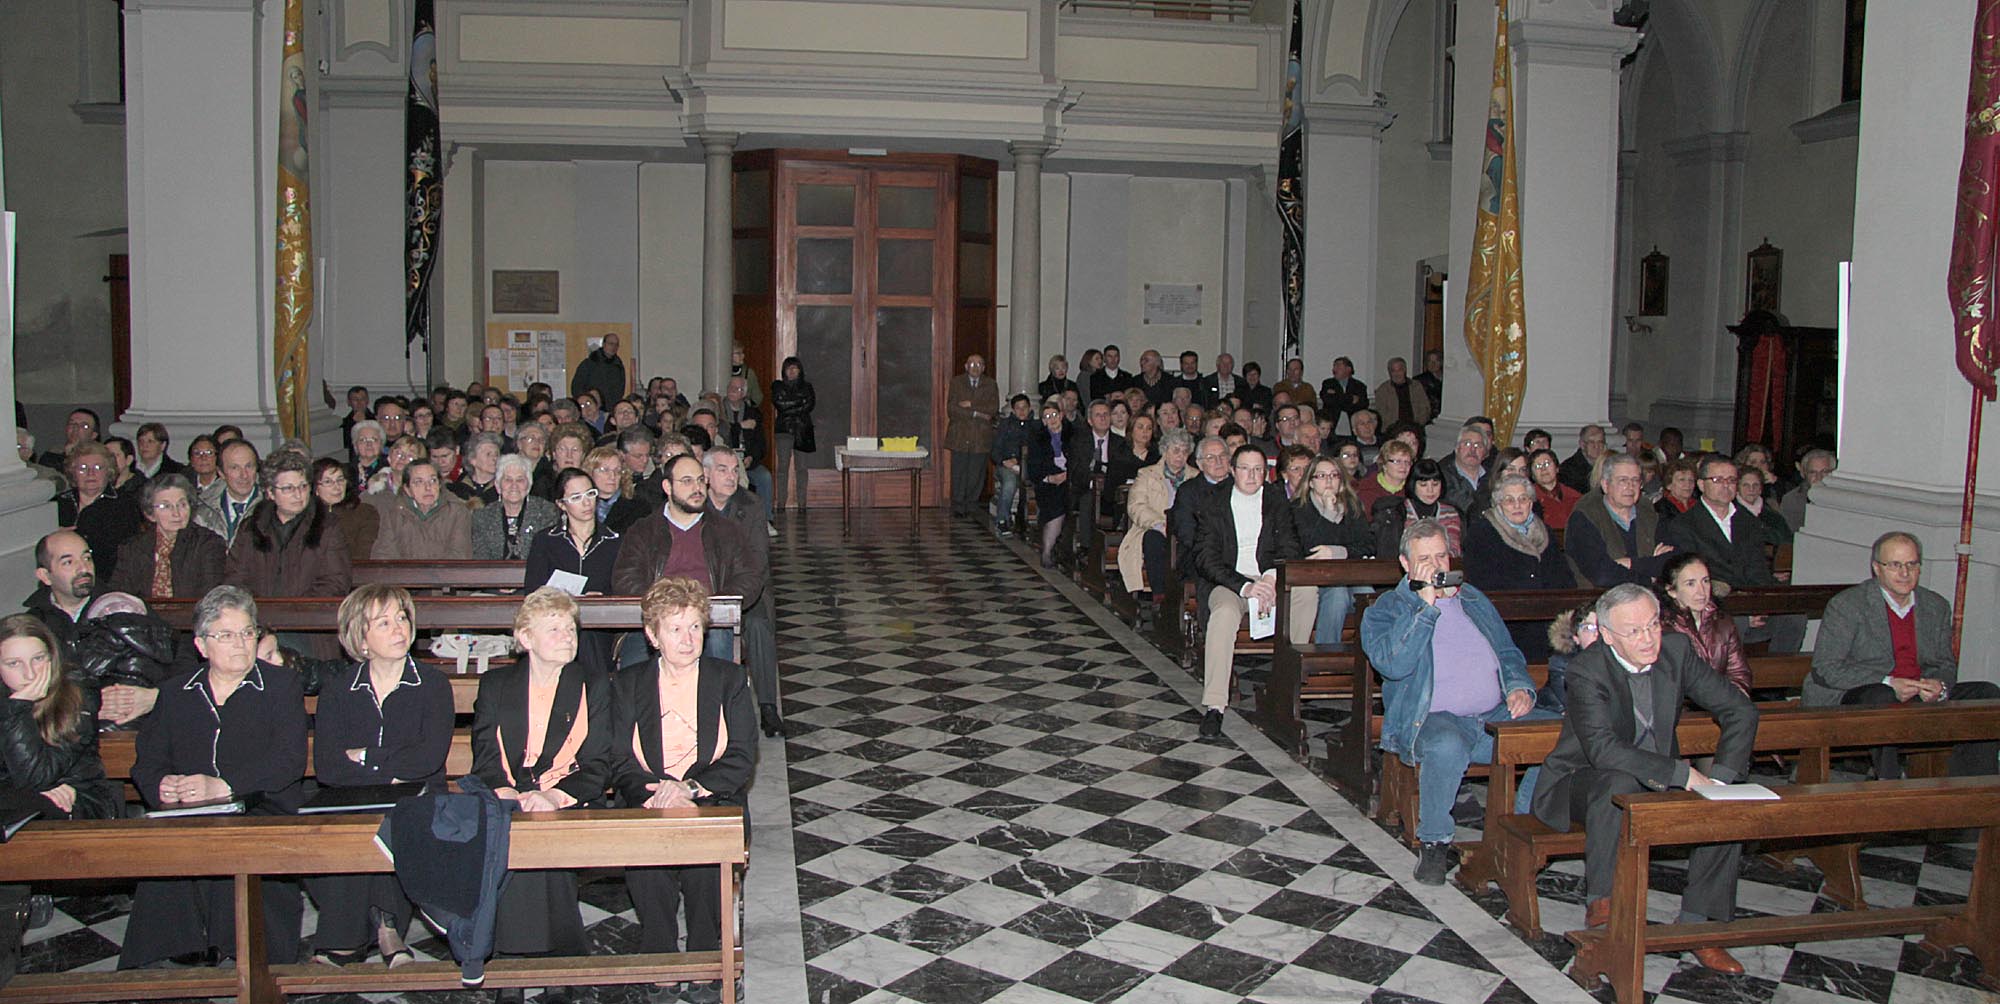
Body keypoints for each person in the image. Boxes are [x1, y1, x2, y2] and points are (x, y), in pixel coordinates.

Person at [1530, 583, 1758, 974]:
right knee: (1617, 783)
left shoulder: (1676, 651)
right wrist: (1683, 774)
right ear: (1607, 635)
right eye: (1633, 631)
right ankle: (1603, 903)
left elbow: (1741, 710)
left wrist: (1719, 781)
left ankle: (1699, 925)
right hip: (1581, 781)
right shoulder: (1588, 669)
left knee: (1726, 802)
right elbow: (1602, 750)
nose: (1648, 638)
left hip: (1659, 778)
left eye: (1653, 625)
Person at [121, 586, 308, 970]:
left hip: (261, 808)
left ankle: (247, 957)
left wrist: (224, 785)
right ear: (201, 645)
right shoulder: (176, 693)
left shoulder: (281, 686)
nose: (240, 643)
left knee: (232, 844)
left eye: (247, 632)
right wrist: (161, 785)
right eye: (226, 634)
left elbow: (288, 761)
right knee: (169, 851)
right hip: (188, 812)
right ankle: (172, 955)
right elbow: (148, 761)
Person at [1360, 519, 1549, 885]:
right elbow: (1393, 665)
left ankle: (1519, 829)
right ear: (1405, 564)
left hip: (1495, 715)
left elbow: (1508, 652)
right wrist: (1425, 608)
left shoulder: (1473, 598)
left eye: (1441, 556)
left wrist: (1519, 687)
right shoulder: (1387, 608)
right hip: (1430, 719)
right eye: (1424, 559)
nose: (1436, 566)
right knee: (1447, 744)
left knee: (1558, 735)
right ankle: (1434, 842)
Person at [612, 577, 757, 1000]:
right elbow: (616, 757)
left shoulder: (729, 679)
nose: (687, 639)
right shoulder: (627, 683)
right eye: (674, 629)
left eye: (695, 627)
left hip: (711, 798)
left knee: (704, 857)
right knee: (647, 858)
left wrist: (690, 789)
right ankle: (660, 955)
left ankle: (704, 956)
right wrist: (655, 793)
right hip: (648, 798)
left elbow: (742, 755)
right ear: (652, 635)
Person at [470, 587, 615, 992]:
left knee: (542, 829)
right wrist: (505, 791)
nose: (567, 636)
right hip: (510, 797)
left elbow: (599, 762)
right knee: (511, 828)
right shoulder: (496, 685)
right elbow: (485, 755)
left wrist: (552, 796)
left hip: (571, 797)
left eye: (571, 628)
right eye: (554, 629)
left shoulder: (593, 684)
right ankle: (547, 965)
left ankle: (523, 967)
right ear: (525, 637)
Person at [306, 585, 454, 968]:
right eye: (384, 622)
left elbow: (427, 759)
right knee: (343, 824)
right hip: (353, 795)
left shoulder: (432, 684)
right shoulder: (339, 690)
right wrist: (389, 772)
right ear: (361, 637)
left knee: (397, 816)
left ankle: (386, 928)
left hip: (420, 793)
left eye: (402, 618)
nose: (399, 628)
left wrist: (368, 757)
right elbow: (329, 767)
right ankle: (347, 934)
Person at [1804, 531, 2000, 777]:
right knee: (1882, 697)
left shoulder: (1935, 606)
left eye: (1912, 564)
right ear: (1877, 568)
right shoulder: (1848, 605)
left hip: (1917, 692)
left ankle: (1974, 786)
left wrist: (1939, 686)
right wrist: (1888, 682)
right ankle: (1889, 781)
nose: (1905, 573)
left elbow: (1945, 663)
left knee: (1986, 694)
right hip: (1858, 695)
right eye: (1895, 565)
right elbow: (1826, 668)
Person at [1191, 443, 1303, 738]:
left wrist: (1269, 578)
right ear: (1232, 470)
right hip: (1230, 581)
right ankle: (1215, 704)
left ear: (1266, 473)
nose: (1252, 476)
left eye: (1258, 470)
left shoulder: (1277, 500)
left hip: (1269, 578)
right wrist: (1245, 586)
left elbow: (1290, 546)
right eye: (1245, 469)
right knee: (1225, 613)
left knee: (1307, 594)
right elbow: (1205, 557)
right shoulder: (1213, 502)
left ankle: (1288, 686)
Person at [613, 455, 766, 661]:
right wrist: (663, 606)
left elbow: (749, 577)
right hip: (658, 616)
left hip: (709, 619)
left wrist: (710, 606)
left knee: (718, 640)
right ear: (667, 487)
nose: (697, 488)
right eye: (687, 481)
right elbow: (625, 578)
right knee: (637, 659)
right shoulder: (643, 531)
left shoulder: (726, 531)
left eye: (701, 480)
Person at [1661, 455, 1802, 651]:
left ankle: (1779, 670)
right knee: (1733, 622)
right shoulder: (1684, 525)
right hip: (1714, 604)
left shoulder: (1749, 522)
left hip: (1750, 600)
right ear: (1701, 485)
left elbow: (1758, 569)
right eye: (1718, 480)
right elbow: (1696, 578)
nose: (1726, 485)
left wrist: (1762, 605)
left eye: (1731, 480)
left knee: (1794, 616)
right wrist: (1742, 610)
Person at [0, 614, 117, 822]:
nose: (30, 674)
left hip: (77, 800)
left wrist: (18, 708)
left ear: (52, 657)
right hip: (19, 798)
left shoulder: (76, 693)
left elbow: (36, 776)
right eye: (14, 663)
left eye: (38, 659)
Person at [702, 449, 784, 738]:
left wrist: (734, 598)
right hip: (704, 592)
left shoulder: (750, 504)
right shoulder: (695, 506)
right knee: (713, 631)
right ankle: (721, 707)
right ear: (706, 475)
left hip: (747, 590)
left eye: (735, 470)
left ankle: (768, 706)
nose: (731, 476)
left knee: (759, 626)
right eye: (722, 470)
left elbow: (758, 561)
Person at [1462, 474, 1572, 661]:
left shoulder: (1545, 532)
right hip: (1506, 621)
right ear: (1498, 504)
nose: (1517, 505)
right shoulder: (1482, 533)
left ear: (1531, 503)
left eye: (1523, 499)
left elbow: (1564, 578)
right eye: (1509, 500)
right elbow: (1481, 583)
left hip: (1547, 619)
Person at [226, 452, 353, 597]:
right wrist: (257, 606)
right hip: (257, 609)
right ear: (270, 492)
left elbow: (336, 582)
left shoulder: (327, 527)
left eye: (303, 486)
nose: (298, 495)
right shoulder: (251, 528)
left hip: (310, 609)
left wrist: (295, 608)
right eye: (288, 488)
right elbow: (235, 579)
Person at [1288, 456, 1377, 649]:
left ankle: (1365, 657)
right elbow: (1310, 548)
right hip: (1314, 580)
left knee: (1367, 593)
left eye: (1334, 475)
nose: (1328, 480)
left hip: (1350, 576)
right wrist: (1328, 512)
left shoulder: (1352, 507)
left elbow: (1368, 545)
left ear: (1341, 481)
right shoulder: (1298, 509)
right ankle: (1326, 656)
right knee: (1337, 595)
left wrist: (1339, 552)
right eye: (1321, 476)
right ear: (1310, 482)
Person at [108, 474, 227, 601]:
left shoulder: (208, 544)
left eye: (182, 505)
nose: (176, 513)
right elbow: (118, 596)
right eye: (166, 506)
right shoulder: (133, 548)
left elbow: (210, 597)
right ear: (150, 514)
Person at [1564, 454, 1674, 587]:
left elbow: (1672, 562)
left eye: (1635, 480)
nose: (1630, 486)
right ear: (1605, 485)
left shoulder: (1650, 516)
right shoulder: (1584, 518)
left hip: (1649, 596)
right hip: (1600, 597)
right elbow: (1602, 575)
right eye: (1623, 480)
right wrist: (1649, 577)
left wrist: (1630, 563)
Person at [1658, 553, 1750, 695]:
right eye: (1691, 584)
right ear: (1672, 591)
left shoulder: (1723, 622)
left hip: (1722, 702)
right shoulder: (1662, 628)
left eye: (1705, 581)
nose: (1701, 591)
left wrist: (1729, 701)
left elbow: (1738, 673)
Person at [1118, 428, 1194, 600]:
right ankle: (1159, 593)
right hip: (1154, 527)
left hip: (1185, 531)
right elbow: (1136, 506)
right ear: (1165, 451)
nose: (1180, 456)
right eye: (1176, 450)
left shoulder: (1195, 477)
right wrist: (1160, 524)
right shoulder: (1147, 474)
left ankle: (1184, 593)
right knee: (1153, 539)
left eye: (1184, 451)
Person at [57, 442, 144, 584]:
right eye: (83, 468)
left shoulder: (123, 505)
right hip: (62, 578)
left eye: (98, 468)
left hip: (106, 580)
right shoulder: (59, 503)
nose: (90, 473)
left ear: (108, 472)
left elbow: (123, 554)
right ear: (73, 472)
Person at [526, 468, 622, 595]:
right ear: (561, 504)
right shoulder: (545, 540)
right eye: (576, 497)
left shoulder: (615, 541)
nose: (586, 503)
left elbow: (622, 588)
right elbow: (533, 591)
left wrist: (602, 599)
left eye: (590, 494)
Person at [371, 459, 471, 561]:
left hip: (445, 571)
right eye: (419, 482)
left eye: (433, 481)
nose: (428, 487)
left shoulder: (457, 513)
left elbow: (460, 557)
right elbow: (383, 556)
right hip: (404, 571)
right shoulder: (394, 514)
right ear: (407, 489)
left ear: (440, 485)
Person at [474, 454, 560, 560]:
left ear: (529, 485)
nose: (514, 486)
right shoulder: (482, 517)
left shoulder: (547, 512)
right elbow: (481, 560)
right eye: (508, 480)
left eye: (520, 480)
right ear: (497, 485)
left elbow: (549, 555)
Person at [1372, 458, 1462, 558]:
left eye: (1435, 484)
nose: (1430, 490)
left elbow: (1454, 549)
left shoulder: (1450, 513)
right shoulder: (1398, 512)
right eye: (1423, 485)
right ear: (1413, 485)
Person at [945, 354, 1000, 518]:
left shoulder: (990, 384)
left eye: (979, 364)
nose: (975, 367)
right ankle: (958, 505)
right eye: (972, 364)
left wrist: (971, 405)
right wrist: (977, 413)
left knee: (976, 473)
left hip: (981, 436)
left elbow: (992, 409)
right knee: (959, 472)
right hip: (960, 434)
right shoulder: (956, 382)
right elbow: (952, 409)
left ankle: (971, 505)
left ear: (983, 368)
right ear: (966, 366)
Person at [25, 530, 95, 651]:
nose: (83, 568)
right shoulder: (34, 626)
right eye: (68, 562)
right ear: (45, 576)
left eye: (87, 558)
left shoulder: (118, 610)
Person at [1026, 399, 1075, 570]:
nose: (1052, 419)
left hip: (1071, 481)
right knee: (1055, 503)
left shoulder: (1073, 434)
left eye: (1054, 415)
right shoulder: (1038, 439)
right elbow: (1034, 468)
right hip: (1047, 482)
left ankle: (1057, 549)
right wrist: (1050, 478)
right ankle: (1047, 551)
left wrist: (1068, 475)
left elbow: (1079, 459)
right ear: (1043, 421)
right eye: (1047, 417)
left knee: (1066, 498)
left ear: (1061, 415)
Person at [770, 355, 815, 514]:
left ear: (800, 370)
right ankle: (781, 502)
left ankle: (802, 503)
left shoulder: (807, 386)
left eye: (795, 368)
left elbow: (810, 405)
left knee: (802, 468)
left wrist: (791, 404)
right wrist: (799, 402)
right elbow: (780, 405)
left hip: (803, 429)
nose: (792, 371)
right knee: (782, 467)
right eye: (789, 368)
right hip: (784, 430)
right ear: (784, 370)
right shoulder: (777, 385)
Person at [313, 458, 380, 562]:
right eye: (328, 482)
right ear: (316, 488)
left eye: (340, 480)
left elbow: (362, 556)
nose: (337, 487)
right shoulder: (307, 516)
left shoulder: (364, 512)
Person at [990, 394, 1036, 538]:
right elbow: (995, 450)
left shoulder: (1036, 426)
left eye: (1024, 407)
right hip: (1006, 466)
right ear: (1013, 410)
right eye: (1018, 408)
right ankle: (1002, 520)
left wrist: (1020, 460)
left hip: (1028, 465)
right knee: (1010, 483)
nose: (1022, 411)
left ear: (1029, 408)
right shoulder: (1005, 426)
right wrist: (1005, 461)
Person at [1439, 424, 1490, 515]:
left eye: (1478, 445)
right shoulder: (1443, 476)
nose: (1472, 450)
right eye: (1467, 444)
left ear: (1485, 453)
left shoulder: (1493, 477)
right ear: (1457, 448)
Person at [1780, 447, 1835, 529]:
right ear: (1803, 474)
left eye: (1824, 472)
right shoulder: (1791, 500)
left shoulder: (1843, 499)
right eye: (1812, 472)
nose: (1819, 477)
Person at [1733, 466, 1792, 544]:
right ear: (1737, 488)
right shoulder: (1730, 513)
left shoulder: (1774, 517)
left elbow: (1787, 542)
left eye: (1755, 485)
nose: (1751, 489)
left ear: (1760, 489)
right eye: (1746, 485)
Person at [570, 332, 628, 409]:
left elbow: (620, 391)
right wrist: (588, 401)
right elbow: (576, 387)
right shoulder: (589, 364)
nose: (614, 347)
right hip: (590, 409)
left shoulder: (618, 366)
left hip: (610, 409)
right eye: (611, 344)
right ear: (603, 344)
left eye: (616, 345)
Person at [1527, 448, 1582, 528]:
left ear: (1557, 468)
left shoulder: (1575, 497)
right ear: (1532, 475)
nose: (1543, 469)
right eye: (1538, 466)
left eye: (1547, 464)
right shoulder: (1528, 499)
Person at [1355, 439, 1413, 512]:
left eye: (1407, 462)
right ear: (1384, 464)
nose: (1403, 466)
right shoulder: (1365, 489)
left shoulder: (1414, 491)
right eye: (1397, 461)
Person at [1374, 357, 1432, 428]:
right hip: (1392, 429)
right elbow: (1381, 413)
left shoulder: (1416, 386)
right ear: (1389, 372)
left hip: (1416, 426)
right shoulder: (1383, 390)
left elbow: (1425, 408)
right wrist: (1395, 428)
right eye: (1393, 371)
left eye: (1399, 370)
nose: (1397, 374)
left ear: (1405, 370)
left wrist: (1418, 424)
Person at [1319, 357, 1368, 436]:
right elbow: (1327, 400)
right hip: (1332, 427)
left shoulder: (1359, 386)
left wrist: (1337, 398)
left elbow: (1362, 405)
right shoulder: (1328, 383)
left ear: (1348, 369)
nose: (1334, 369)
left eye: (1338, 366)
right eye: (1334, 366)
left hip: (1353, 427)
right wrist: (1350, 399)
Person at [453, 432, 503, 506]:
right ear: (473, 459)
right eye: (488, 454)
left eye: (496, 454)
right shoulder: (458, 489)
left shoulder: (503, 488)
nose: (494, 458)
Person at [1113, 413, 1161, 487]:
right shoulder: (1119, 454)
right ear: (1131, 430)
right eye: (1140, 427)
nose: (1145, 431)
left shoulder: (1157, 455)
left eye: (1149, 428)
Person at [1557, 424, 1607, 495]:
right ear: (1582, 444)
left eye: (1600, 442)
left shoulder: (1609, 465)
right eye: (1591, 442)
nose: (1596, 446)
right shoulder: (1568, 470)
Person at [1653, 457, 1699, 522]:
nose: (1688, 484)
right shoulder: (1659, 510)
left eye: (1691, 480)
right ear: (1669, 484)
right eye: (1681, 480)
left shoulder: (1700, 506)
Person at [729, 342, 764, 409]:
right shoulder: (722, 372)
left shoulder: (748, 373)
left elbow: (757, 398)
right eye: (738, 353)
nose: (743, 356)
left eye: (743, 353)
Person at [1415, 349, 1444, 425]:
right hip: (1427, 420)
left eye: (1436, 361)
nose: (1433, 364)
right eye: (1430, 361)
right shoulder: (1419, 381)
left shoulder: (1448, 380)